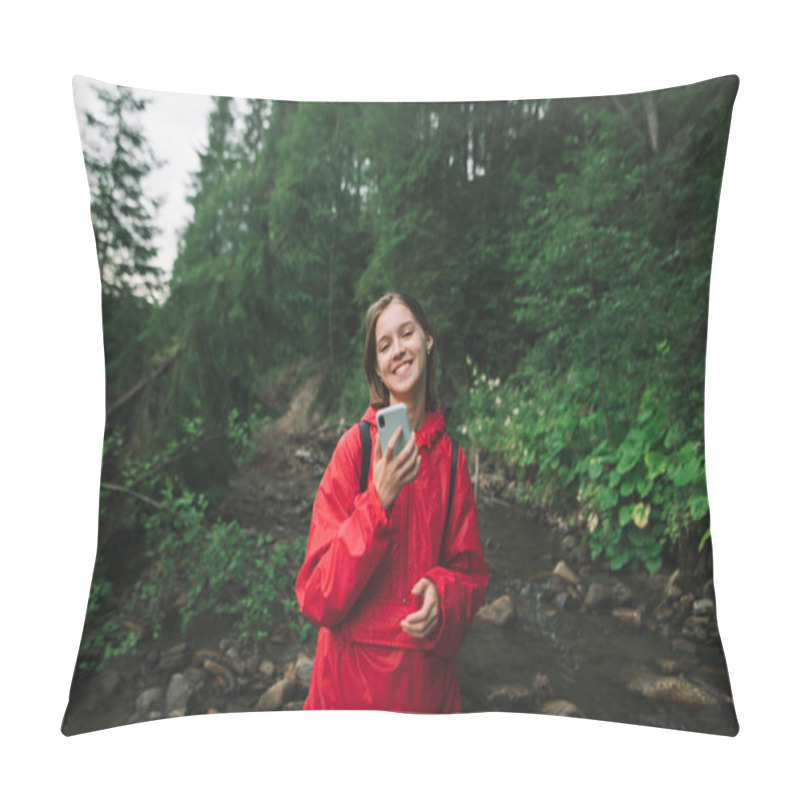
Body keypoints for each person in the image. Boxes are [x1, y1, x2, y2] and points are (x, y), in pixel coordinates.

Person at [295, 291, 488, 712]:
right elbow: (316, 596)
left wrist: (444, 595)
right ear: (378, 369)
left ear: (428, 341)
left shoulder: (452, 462)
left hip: (423, 695)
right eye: (385, 345)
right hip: (346, 696)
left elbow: (470, 577)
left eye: (407, 334)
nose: (398, 350)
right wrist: (377, 500)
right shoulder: (354, 451)